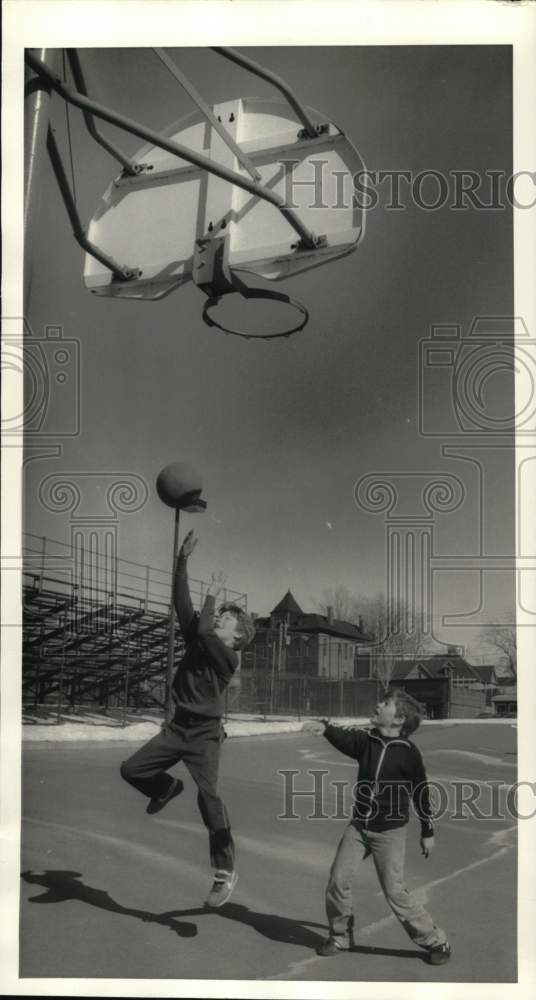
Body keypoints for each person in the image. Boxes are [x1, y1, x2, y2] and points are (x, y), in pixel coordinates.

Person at [120, 529, 255, 908]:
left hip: (205, 735)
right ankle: (163, 788)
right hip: (178, 727)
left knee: (209, 797)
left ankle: (224, 871)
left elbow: (205, 632)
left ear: (238, 636)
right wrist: (182, 559)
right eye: (222, 614)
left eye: (227, 618)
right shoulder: (202, 636)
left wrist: (212, 595)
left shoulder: (228, 658)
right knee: (131, 771)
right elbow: (181, 602)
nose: (221, 616)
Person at [304, 690, 451, 964]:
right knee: (338, 878)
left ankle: (436, 941)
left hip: (390, 831)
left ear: (399, 719)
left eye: (385, 704)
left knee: (394, 890)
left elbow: (421, 792)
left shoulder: (408, 753)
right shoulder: (367, 741)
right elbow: (344, 737)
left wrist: (428, 831)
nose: (378, 704)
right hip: (359, 827)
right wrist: (324, 727)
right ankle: (340, 935)